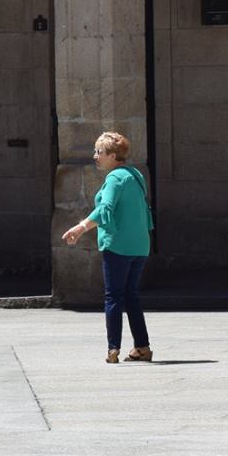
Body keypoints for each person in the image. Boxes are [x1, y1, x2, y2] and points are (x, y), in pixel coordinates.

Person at [62, 131, 155, 364]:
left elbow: (106, 209)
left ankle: (113, 349)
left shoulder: (114, 178)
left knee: (113, 296)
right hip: (140, 245)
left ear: (113, 156)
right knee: (131, 296)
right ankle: (142, 347)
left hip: (118, 245)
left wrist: (80, 227)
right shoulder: (136, 175)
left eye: (99, 152)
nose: (95, 156)